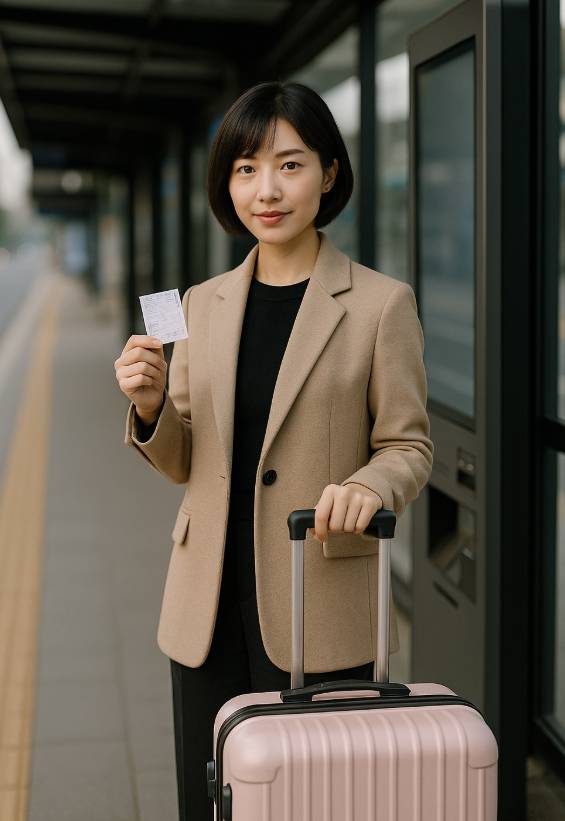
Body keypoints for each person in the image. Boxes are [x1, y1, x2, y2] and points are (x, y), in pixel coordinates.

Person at [114, 80, 433, 821]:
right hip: (205, 602)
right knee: (210, 798)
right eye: (246, 168)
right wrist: (151, 408)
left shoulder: (380, 303)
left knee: (315, 801)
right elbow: (184, 459)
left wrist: (371, 485)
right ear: (227, 185)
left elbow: (408, 444)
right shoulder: (198, 303)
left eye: (290, 165)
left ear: (328, 173)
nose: (267, 189)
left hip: (317, 595)